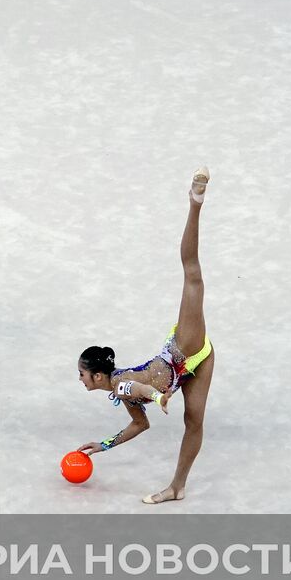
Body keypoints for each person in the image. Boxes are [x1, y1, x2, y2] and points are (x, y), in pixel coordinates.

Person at [75, 169, 215, 505]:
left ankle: (195, 201)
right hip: (197, 365)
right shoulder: (118, 393)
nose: (79, 380)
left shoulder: (122, 384)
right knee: (193, 422)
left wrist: (157, 398)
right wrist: (104, 445)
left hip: (184, 348)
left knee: (192, 274)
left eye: (82, 374)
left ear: (97, 375)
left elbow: (140, 389)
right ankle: (177, 487)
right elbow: (141, 426)